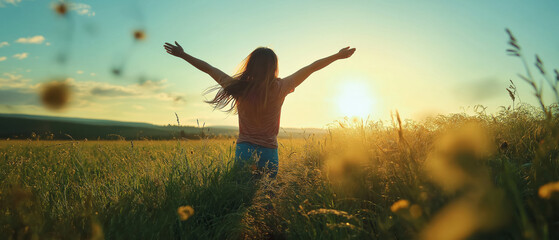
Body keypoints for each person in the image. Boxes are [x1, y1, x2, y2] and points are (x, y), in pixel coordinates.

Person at [164, 42, 355, 178]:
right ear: (273, 67)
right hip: (269, 152)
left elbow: (209, 68)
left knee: (242, 199)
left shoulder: (238, 87)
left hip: (244, 150)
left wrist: (183, 55)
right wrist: (338, 56)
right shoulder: (281, 87)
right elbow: (311, 68)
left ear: (251, 66)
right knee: (265, 200)